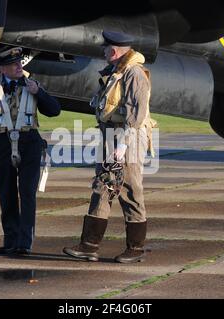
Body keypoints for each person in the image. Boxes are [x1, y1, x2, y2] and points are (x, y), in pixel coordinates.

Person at [63, 31, 154, 263]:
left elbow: (136, 113)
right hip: (110, 135)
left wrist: (122, 145)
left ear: (113, 52)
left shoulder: (134, 74)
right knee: (102, 186)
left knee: (130, 189)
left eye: (105, 49)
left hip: (129, 137)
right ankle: (89, 245)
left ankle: (136, 248)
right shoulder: (116, 72)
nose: (103, 52)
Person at [0, 47, 61, 256]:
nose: (19, 66)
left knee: (27, 194)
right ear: (2, 69)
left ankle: (24, 243)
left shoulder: (32, 84)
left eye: (20, 62)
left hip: (30, 142)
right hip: (2, 143)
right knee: (6, 194)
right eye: (14, 64)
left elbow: (54, 110)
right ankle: (10, 240)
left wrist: (39, 93)